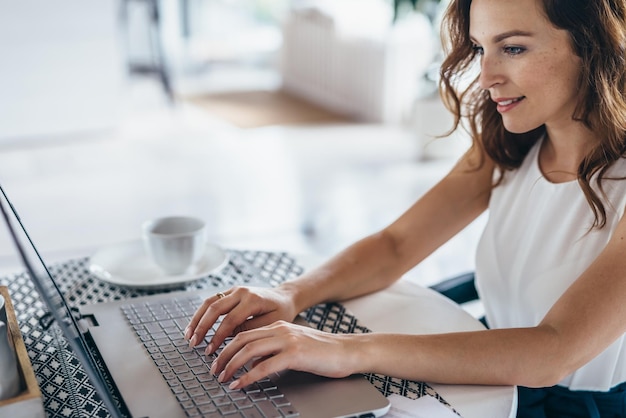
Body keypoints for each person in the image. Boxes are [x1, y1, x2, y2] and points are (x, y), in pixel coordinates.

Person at [185, 0, 626, 415]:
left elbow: (553, 350)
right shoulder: (509, 143)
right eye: (479, 48)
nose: (486, 75)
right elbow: (397, 244)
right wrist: (290, 294)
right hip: (494, 379)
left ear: (596, 46)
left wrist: (346, 350)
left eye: (512, 48)